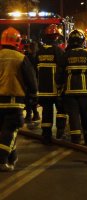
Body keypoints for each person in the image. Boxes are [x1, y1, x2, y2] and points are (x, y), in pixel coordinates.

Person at [0, 27, 38, 171]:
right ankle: (2, 160)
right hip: (13, 101)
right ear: (18, 42)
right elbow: (31, 80)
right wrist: (34, 95)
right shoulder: (21, 58)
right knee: (10, 129)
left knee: (4, 131)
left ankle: (12, 156)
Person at [57, 29, 87, 145]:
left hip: (70, 90)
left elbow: (59, 73)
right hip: (84, 90)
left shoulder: (66, 55)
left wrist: (59, 87)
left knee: (73, 115)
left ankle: (75, 138)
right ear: (82, 41)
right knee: (85, 113)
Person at [36, 24, 67, 144]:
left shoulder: (40, 52)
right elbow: (62, 68)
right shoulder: (58, 51)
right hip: (56, 88)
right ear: (56, 37)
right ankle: (60, 132)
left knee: (46, 111)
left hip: (43, 89)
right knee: (61, 110)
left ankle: (46, 135)